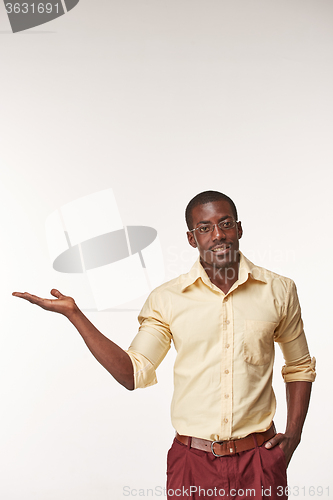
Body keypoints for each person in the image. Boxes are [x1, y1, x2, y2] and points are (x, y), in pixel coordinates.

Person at [13, 190, 315, 500]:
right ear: (191, 238)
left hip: (259, 460)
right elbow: (132, 373)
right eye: (204, 228)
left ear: (239, 228)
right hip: (192, 463)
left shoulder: (279, 290)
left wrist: (293, 436)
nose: (218, 235)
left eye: (225, 224)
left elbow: (299, 367)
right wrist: (75, 315)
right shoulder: (167, 299)